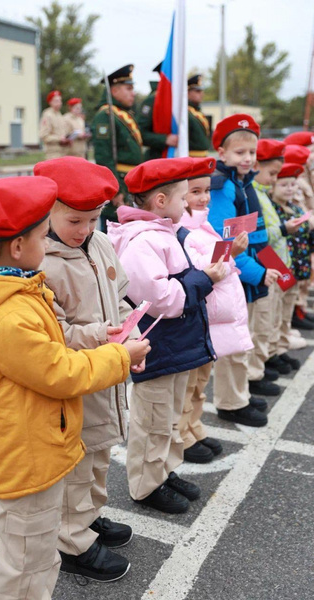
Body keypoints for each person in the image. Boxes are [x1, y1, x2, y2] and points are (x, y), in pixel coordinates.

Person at [0, 176, 150, 600]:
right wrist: (121, 357)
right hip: (25, 456)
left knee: (38, 556)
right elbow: (61, 372)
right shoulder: (8, 315)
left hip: (36, 443)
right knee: (25, 565)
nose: (46, 242)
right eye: (40, 235)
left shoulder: (15, 287)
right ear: (17, 247)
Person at [34, 156, 139, 583]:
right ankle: (72, 540)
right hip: (78, 378)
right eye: (74, 220)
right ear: (47, 212)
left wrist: (131, 319)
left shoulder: (99, 243)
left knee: (100, 454)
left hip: (108, 373)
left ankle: (89, 517)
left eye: (94, 218)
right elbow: (53, 334)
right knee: (78, 463)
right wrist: (102, 333)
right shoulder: (43, 263)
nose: (85, 229)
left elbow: (122, 290)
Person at [108, 157, 228, 514]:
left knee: (169, 418)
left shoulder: (164, 232)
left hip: (176, 345)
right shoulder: (143, 240)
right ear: (160, 201)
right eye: (181, 198)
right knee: (153, 421)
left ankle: (164, 470)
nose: (187, 204)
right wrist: (204, 279)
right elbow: (160, 300)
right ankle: (146, 485)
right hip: (157, 348)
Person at [178, 157, 259, 463]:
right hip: (199, 316)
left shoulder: (203, 221)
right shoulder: (183, 229)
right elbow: (203, 268)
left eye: (205, 190)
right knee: (188, 384)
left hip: (211, 318)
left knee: (200, 383)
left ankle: (194, 426)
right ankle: (183, 436)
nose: (203, 197)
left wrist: (227, 252)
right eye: (195, 192)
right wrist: (231, 253)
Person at [208, 114, 282, 402]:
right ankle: (232, 402)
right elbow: (225, 244)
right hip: (236, 274)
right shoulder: (223, 187)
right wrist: (258, 273)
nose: (248, 158)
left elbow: (256, 234)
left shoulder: (243, 182)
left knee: (247, 336)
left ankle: (244, 390)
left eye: (251, 152)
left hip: (250, 272)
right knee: (234, 343)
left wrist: (273, 268)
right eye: (240, 152)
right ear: (222, 153)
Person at [253, 139, 302, 375]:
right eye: (272, 174)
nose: (274, 179)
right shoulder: (255, 194)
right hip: (267, 261)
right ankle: (265, 359)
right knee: (264, 318)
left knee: (276, 314)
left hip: (277, 261)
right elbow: (260, 236)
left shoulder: (262, 194)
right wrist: (284, 229)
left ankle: (274, 352)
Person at [91, 64, 143, 231]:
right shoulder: (105, 116)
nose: (132, 93)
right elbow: (104, 158)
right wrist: (116, 190)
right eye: (128, 88)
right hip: (119, 183)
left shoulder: (124, 115)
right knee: (114, 235)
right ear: (114, 91)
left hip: (130, 182)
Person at [270, 162, 314, 335]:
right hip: (282, 267)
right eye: (284, 185)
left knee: (288, 305)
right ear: (273, 187)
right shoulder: (273, 210)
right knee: (277, 308)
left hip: (298, 266)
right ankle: (277, 344)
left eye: (293, 184)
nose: (290, 189)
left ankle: (284, 337)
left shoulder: (295, 208)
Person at [137, 62, 179, 160]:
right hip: (159, 158)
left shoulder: (179, 100)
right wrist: (164, 139)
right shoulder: (153, 100)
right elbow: (141, 133)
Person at [39, 90, 70, 159]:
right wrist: (59, 139)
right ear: (50, 102)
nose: (59, 103)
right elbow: (44, 136)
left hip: (63, 151)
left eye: (60, 101)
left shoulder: (59, 115)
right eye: (56, 101)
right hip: (53, 153)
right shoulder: (48, 115)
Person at [187, 74, 211, 157]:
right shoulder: (185, 113)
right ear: (188, 93)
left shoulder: (197, 112)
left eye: (201, 91)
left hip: (202, 155)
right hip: (191, 156)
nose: (201, 94)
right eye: (197, 91)